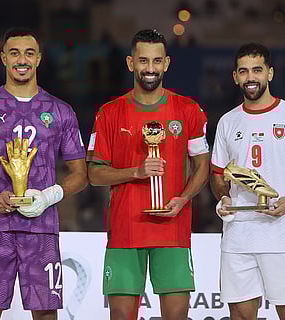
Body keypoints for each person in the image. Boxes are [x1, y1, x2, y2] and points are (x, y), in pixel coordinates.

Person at [0, 27, 88, 320]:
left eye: (29, 53)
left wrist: (47, 197)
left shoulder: (61, 112)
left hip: (42, 227)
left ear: (38, 59)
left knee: (46, 312)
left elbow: (81, 174)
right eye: (14, 53)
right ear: (3, 58)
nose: (22, 59)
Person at [86, 29, 210, 320]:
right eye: (143, 61)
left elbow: (202, 165)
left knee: (177, 315)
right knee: (120, 315)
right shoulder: (109, 113)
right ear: (131, 63)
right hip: (125, 228)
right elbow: (94, 174)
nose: (150, 68)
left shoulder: (188, 110)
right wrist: (136, 172)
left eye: (156, 61)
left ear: (167, 63)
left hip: (173, 227)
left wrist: (183, 198)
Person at [210, 42, 285, 320]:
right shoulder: (227, 122)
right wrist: (224, 197)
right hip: (238, 237)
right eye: (244, 71)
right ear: (235, 77)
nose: (251, 77)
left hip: (283, 236)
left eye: (257, 70)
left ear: (270, 73)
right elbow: (218, 176)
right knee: (239, 314)